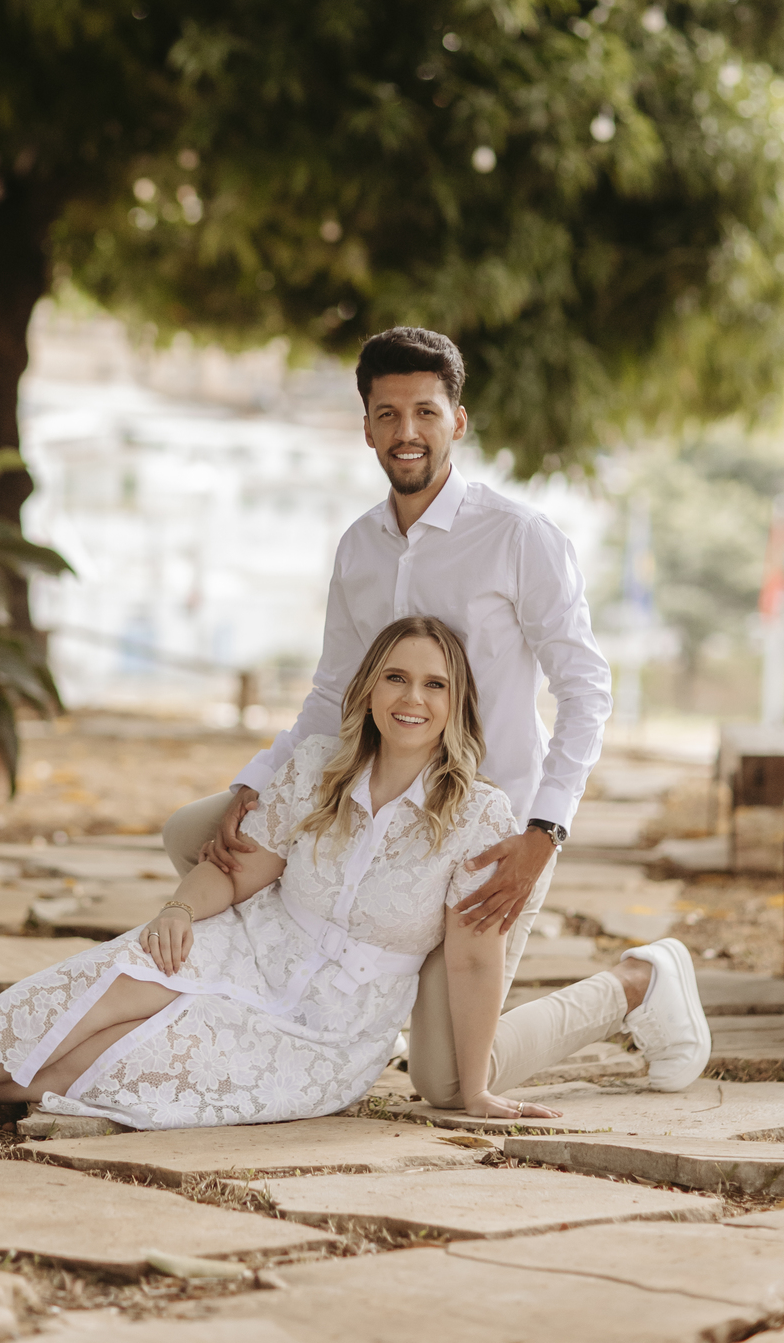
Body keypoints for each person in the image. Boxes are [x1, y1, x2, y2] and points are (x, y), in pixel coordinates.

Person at [0, 617, 708, 1144]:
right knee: (106, 980)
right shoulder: (317, 769)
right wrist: (179, 909)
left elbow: (474, 962)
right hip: (252, 948)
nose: (413, 698)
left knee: (114, 1058)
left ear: (455, 705)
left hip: (329, 1027)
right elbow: (244, 870)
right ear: (370, 690)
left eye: (435, 685)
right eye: (397, 677)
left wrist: (471, 1092)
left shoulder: (480, 816)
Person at [163, 325, 618, 1109]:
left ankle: (640, 983)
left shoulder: (519, 538)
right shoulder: (359, 547)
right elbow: (330, 692)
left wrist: (544, 833)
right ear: (367, 428)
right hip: (367, 807)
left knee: (445, 1082)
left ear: (457, 422)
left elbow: (586, 688)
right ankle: (307, 995)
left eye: (426, 412)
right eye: (388, 414)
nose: (408, 431)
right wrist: (256, 783)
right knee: (194, 835)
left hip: (484, 830)